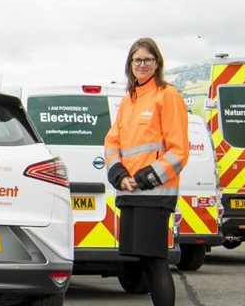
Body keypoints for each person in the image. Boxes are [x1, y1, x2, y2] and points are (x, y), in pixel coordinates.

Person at [104, 37, 189, 306]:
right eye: (137, 60)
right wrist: (119, 175)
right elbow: (112, 143)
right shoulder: (128, 101)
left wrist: (145, 178)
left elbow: (179, 151)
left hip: (155, 193)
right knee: (145, 260)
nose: (142, 64)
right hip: (131, 192)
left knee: (156, 260)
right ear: (130, 64)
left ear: (157, 63)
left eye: (147, 60)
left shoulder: (167, 95)